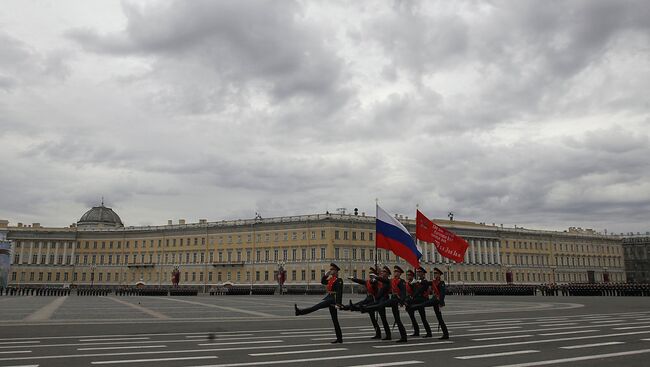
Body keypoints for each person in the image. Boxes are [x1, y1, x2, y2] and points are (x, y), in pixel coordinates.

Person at [295, 263, 344, 343]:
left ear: (336, 271)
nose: (330, 271)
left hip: (333, 299)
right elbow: (323, 282)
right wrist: (326, 275)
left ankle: (300, 312)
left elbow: (339, 292)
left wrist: (338, 303)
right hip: (329, 297)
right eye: (330, 269)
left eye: (332, 269)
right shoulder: (331, 279)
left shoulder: (339, 280)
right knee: (335, 320)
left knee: (317, 306)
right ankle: (340, 338)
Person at [363, 265, 408, 342]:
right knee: (397, 319)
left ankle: (403, 337)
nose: (395, 273)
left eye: (397, 272)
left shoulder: (401, 281)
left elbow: (403, 292)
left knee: (382, 305)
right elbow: (384, 280)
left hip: (397, 299)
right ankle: (392, 336)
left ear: (400, 273)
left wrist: (402, 302)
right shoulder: (392, 280)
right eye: (395, 271)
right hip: (393, 298)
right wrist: (376, 277)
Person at [407, 267, 449, 339]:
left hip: (437, 301)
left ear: (439, 275)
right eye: (434, 273)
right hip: (434, 299)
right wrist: (418, 282)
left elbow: (442, 293)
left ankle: (445, 334)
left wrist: (441, 302)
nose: (435, 275)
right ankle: (444, 334)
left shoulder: (441, 283)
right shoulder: (433, 282)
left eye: (436, 273)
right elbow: (426, 283)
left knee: (437, 316)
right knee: (439, 318)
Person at [342, 266, 383, 339]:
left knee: (372, 317)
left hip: (373, 299)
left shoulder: (375, 282)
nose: (370, 275)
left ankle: (352, 307)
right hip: (368, 298)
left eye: (371, 274)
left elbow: (375, 286)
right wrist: (352, 278)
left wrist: (375, 280)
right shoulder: (367, 281)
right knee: (371, 316)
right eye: (369, 274)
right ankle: (350, 307)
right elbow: (360, 281)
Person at [406, 267, 432, 337]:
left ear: (423, 273)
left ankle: (428, 332)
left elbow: (420, 290)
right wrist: (411, 285)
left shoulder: (424, 281)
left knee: (423, 317)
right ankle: (417, 331)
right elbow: (414, 290)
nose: (418, 273)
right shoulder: (417, 281)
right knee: (410, 310)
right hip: (418, 300)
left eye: (420, 272)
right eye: (418, 272)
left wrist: (413, 297)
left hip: (423, 300)